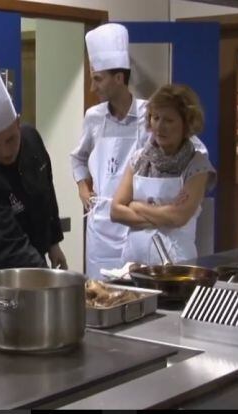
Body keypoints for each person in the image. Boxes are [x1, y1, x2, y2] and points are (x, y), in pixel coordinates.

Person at [70, 24, 206, 280]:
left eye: (97, 78)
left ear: (119, 78)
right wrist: (82, 189)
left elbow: (195, 150)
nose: (92, 87)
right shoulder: (94, 117)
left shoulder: (152, 113)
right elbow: (77, 157)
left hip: (140, 228)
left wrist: (163, 208)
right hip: (103, 225)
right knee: (102, 292)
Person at [0, 38, 67, 309]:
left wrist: (53, 242)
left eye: (10, 139)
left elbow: (46, 193)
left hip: (34, 263)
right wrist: (52, 282)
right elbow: (10, 247)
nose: (5, 151)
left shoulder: (31, 139)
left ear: (18, 123)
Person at [111, 84, 216, 265]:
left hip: (177, 264)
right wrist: (163, 216)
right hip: (134, 262)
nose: (159, 126)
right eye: (155, 118)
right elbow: (116, 211)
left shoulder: (197, 165)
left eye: (168, 120)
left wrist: (137, 206)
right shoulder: (138, 159)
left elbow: (178, 217)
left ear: (186, 123)